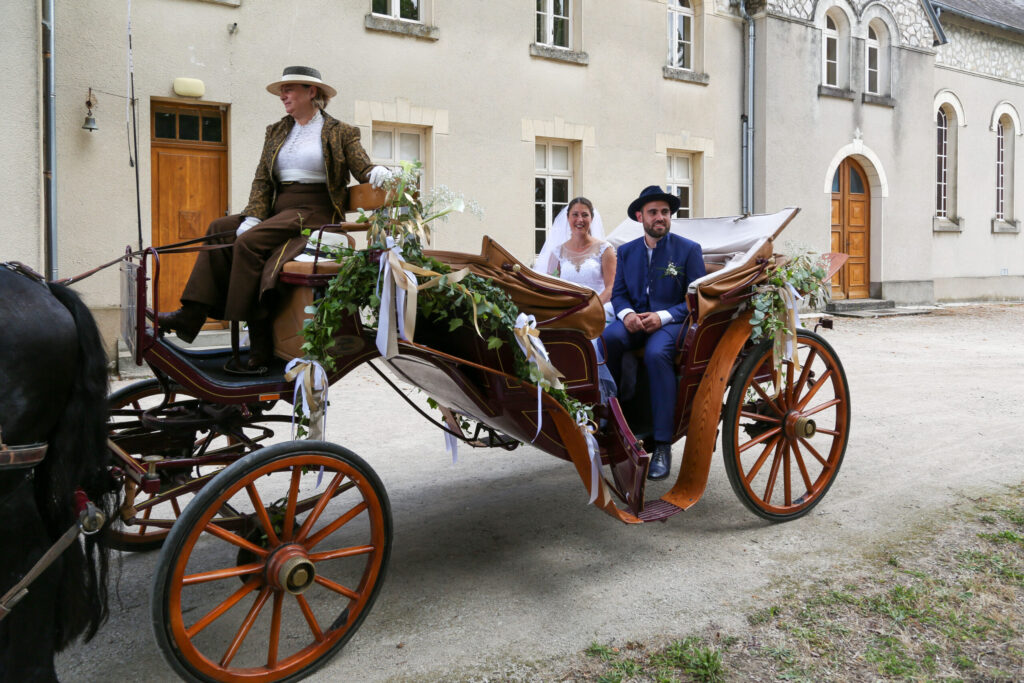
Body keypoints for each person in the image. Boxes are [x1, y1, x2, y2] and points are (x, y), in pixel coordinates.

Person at [158, 66, 391, 373]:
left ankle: (258, 344)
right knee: (219, 229)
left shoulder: (340, 131)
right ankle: (192, 315)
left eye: (290, 89)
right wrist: (254, 215)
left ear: (312, 92)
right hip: (279, 210)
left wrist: (378, 173)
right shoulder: (277, 130)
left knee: (248, 242)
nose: (283, 95)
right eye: (282, 90)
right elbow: (262, 181)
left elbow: (362, 167)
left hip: (315, 211)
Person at [600, 185, 706, 480]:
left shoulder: (688, 250)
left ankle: (662, 444)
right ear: (640, 216)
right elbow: (618, 295)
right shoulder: (627, 251)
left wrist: (662, 317)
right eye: (653, 212)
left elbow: (697, 301)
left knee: (657, 354)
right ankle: (611, 417)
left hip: (672, 324)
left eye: (665, 212)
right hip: (634, 322)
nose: (660, 217)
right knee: (607, 340)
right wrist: (627, 315)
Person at [536, 197, 617, 400]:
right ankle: (560, 393)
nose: (580, 219)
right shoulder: (558, 252)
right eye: (575, 215)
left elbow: (611, 287)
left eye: (584, 215)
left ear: (591, 218)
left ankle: (595, 397)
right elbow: (550, 286)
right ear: (568, 218)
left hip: (600, 308)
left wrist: (592, 306)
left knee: (588, 341)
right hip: (569, 310)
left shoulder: (604, 249)